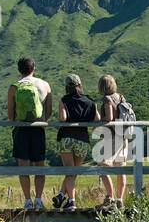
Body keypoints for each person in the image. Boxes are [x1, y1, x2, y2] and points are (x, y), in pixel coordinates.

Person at [8, 56, 52, 211]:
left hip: (21, 130)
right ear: (34, 68)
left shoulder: (14, 87)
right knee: (39, 165)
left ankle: (27, 200)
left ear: (19, 70)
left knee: (23, 166)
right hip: (38, 129)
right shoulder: (45, 85)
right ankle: (38, 200)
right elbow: (49, 112)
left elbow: (10, 116)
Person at [52, 74, 98, 211]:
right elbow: (97, 118)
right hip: (83, 139)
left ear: (67, 86)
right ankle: (61, 195)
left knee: (70, 172)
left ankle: (71, 201)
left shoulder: (64, 100)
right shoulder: (90, 101)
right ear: (80, 85)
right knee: (73, 173)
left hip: (66, 138)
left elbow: (62, 118)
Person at [95, 74, 131, 208]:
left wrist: (100, 122)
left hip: (111, 137)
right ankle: (119, 199)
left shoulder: (106, 99)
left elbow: (109, 117)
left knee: (101, 166)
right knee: (120, 168)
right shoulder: (121, 97)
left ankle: (109, 197)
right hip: (123, 136)